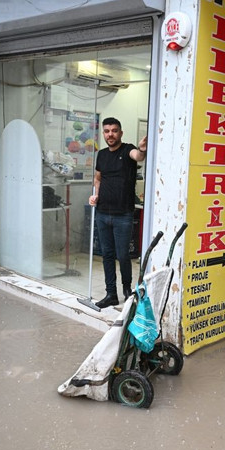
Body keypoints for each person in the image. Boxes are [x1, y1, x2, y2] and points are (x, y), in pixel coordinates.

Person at [88, 117, 147, 308]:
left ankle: (127, 290)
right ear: (103, 134)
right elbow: (98, 178)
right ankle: (111, 294)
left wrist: (142, 149)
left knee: (123, 255)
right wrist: (95, 195)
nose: (110, 134)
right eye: (107, 131)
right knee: (107, 255)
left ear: (120, 133)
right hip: (103, 213)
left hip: (123, 214)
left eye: (114, 130)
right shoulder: (102, 154)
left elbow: (138, 157)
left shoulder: (127, 149)